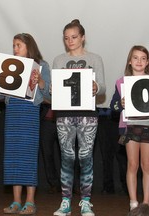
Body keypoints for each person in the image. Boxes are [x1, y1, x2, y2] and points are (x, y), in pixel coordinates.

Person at [52, 19, 105, 216]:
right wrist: (52, 90)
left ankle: (85, 201)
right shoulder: (58, 60)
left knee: (85, 157)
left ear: (83, 37)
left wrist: (96, 87)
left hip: (87, 114)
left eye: (74, 37)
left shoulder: (95, 58)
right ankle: (65, 201)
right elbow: (54, 92)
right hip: (64, 114)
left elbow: (103, 87)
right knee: (67, 156)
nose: (70, 41)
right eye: (66, 38)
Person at [2, 33, 50, 215]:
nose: (15, 49)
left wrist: (41, 81)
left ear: (28, 47)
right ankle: (16, 201)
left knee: (28, 157)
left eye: (18, 45)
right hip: (12, 112)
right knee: (13, 156)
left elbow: (50, 94)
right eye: (14, 45)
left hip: (29, 113)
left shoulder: (41, 66)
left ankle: (30, 201)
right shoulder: (9, 65)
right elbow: (0, 94)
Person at [110, 45, 149, 211]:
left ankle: (146, 203)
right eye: (135, 58)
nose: (139, 61)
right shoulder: (121, 83)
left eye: (143, 58)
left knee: (147, 165)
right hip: (130, 127)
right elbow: (113, 106)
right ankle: (133, 202)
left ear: (147, 63)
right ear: (130, 62)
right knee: (132, 164)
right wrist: (121, 103)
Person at [39, 98, 61, 194]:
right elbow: (38, 97)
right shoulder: (44, 82)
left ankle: (71, 184)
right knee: (47, 154)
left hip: (63, 120)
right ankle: (54, 184)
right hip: (46, 121)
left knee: (68, 154)